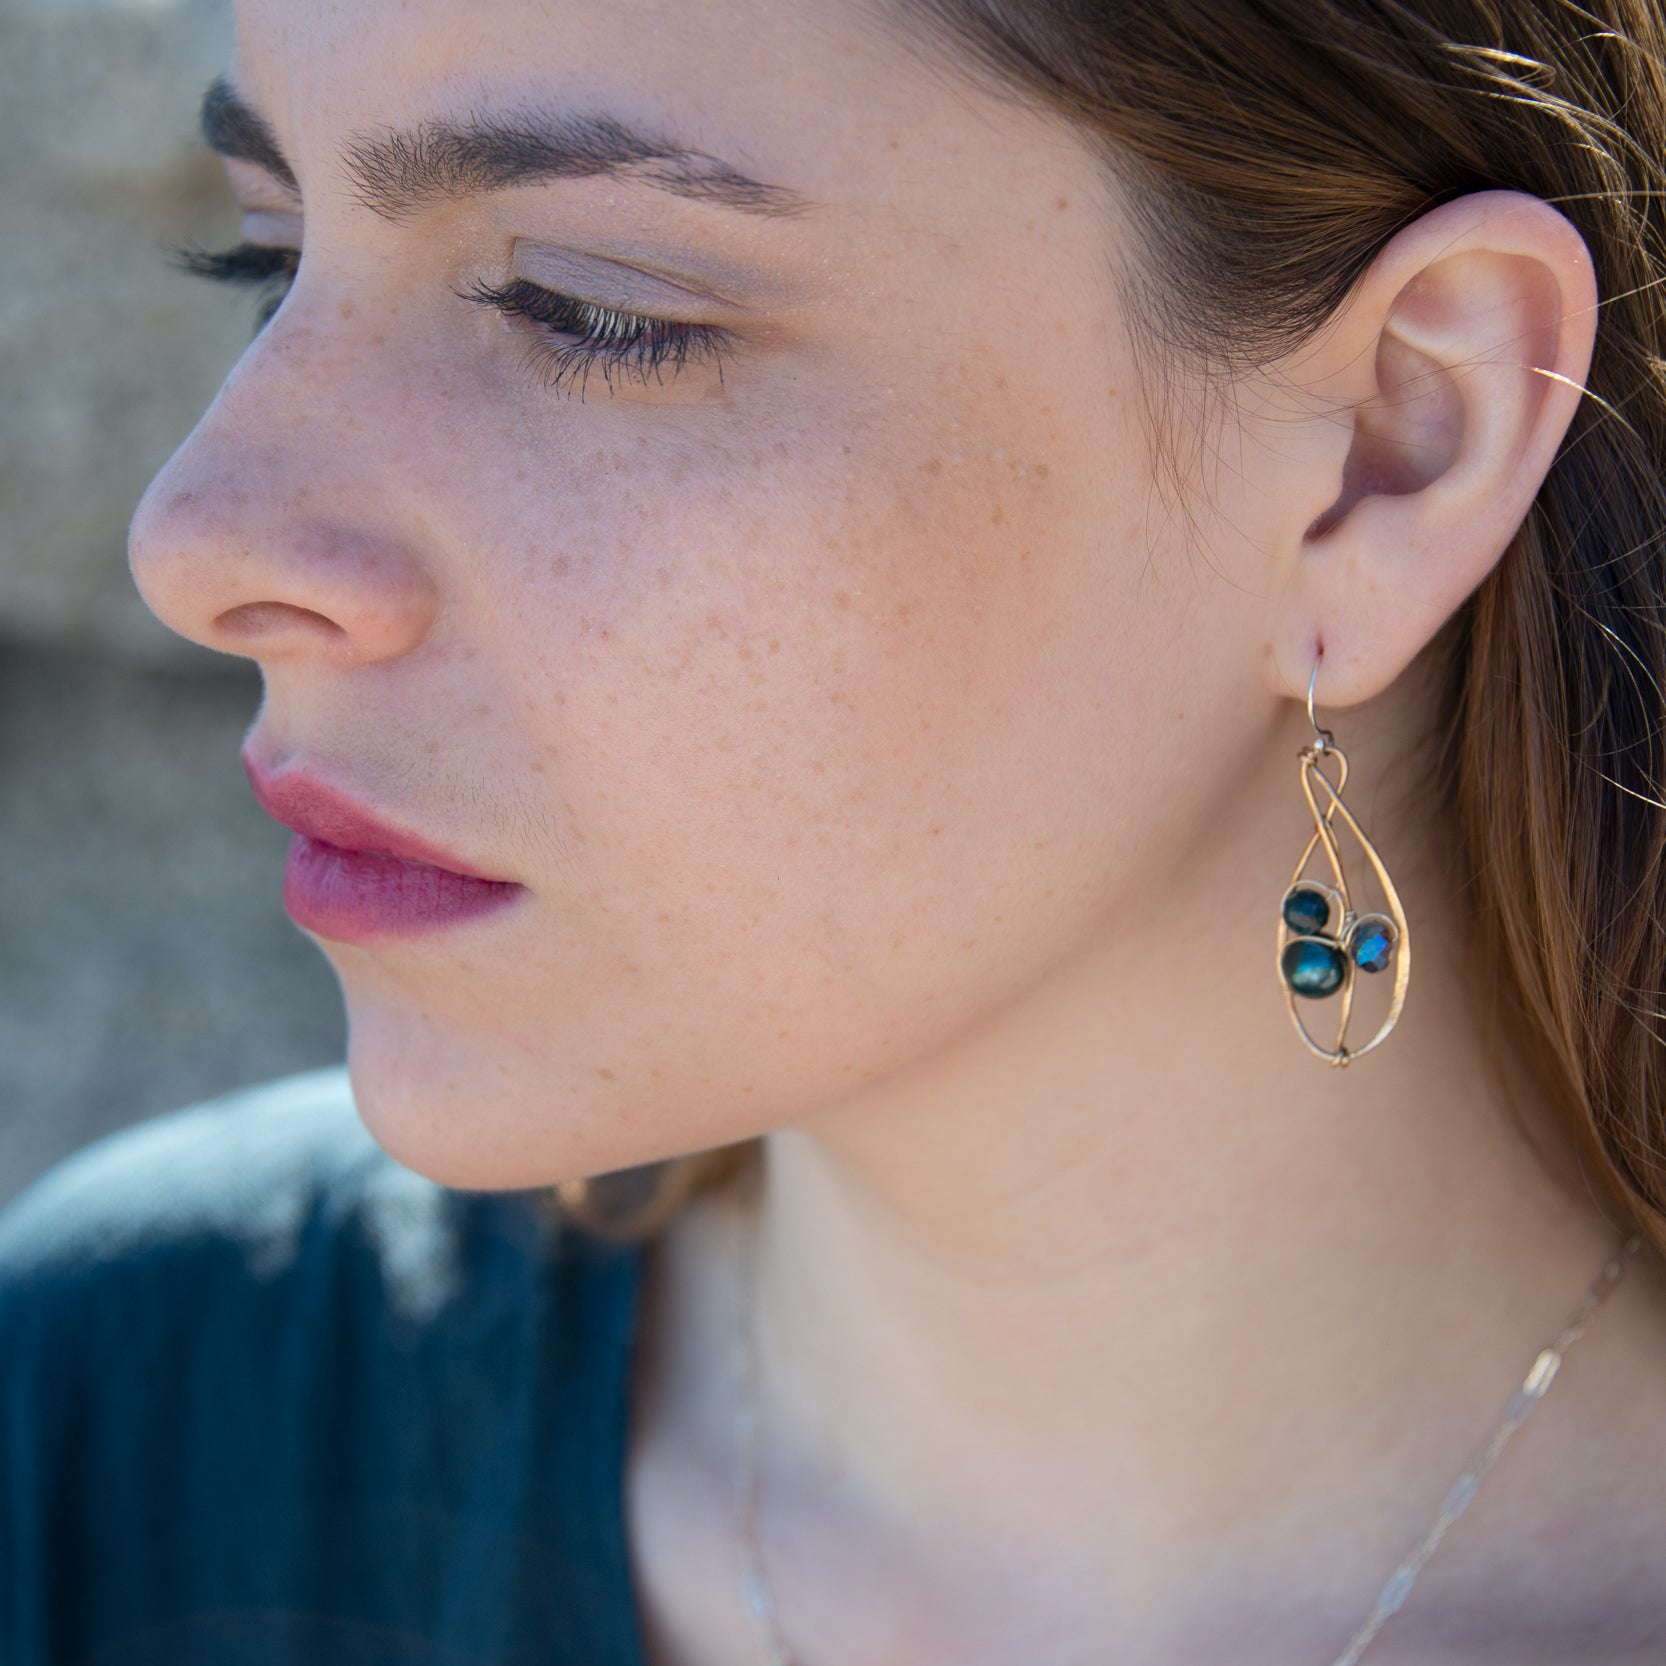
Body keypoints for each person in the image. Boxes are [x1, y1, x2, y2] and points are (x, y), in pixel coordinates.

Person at [5, 0, 1666, 1660]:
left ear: (1391, 448)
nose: (197, 540)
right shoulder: (125, 1435)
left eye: (591, 308)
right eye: (272, 255)